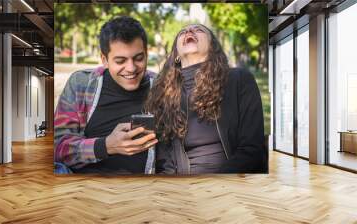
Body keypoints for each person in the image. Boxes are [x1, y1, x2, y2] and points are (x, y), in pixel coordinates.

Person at [145, 24, 268, 174]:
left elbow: (252, 148)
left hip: (234, 183)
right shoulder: (164, 94)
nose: (189, 31)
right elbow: (165, 162)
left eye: (199, 30)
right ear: (176, 54)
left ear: (212, 48)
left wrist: (213, 184)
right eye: (182, 32)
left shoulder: (239, 80)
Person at [54, 16, 158, 174]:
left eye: (138, 58)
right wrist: (105, 146)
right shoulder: (81, 84)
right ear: (104, 59)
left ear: (146, 55)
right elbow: (58, 147)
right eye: (120, 61)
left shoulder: (160, 86)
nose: (131, 68)